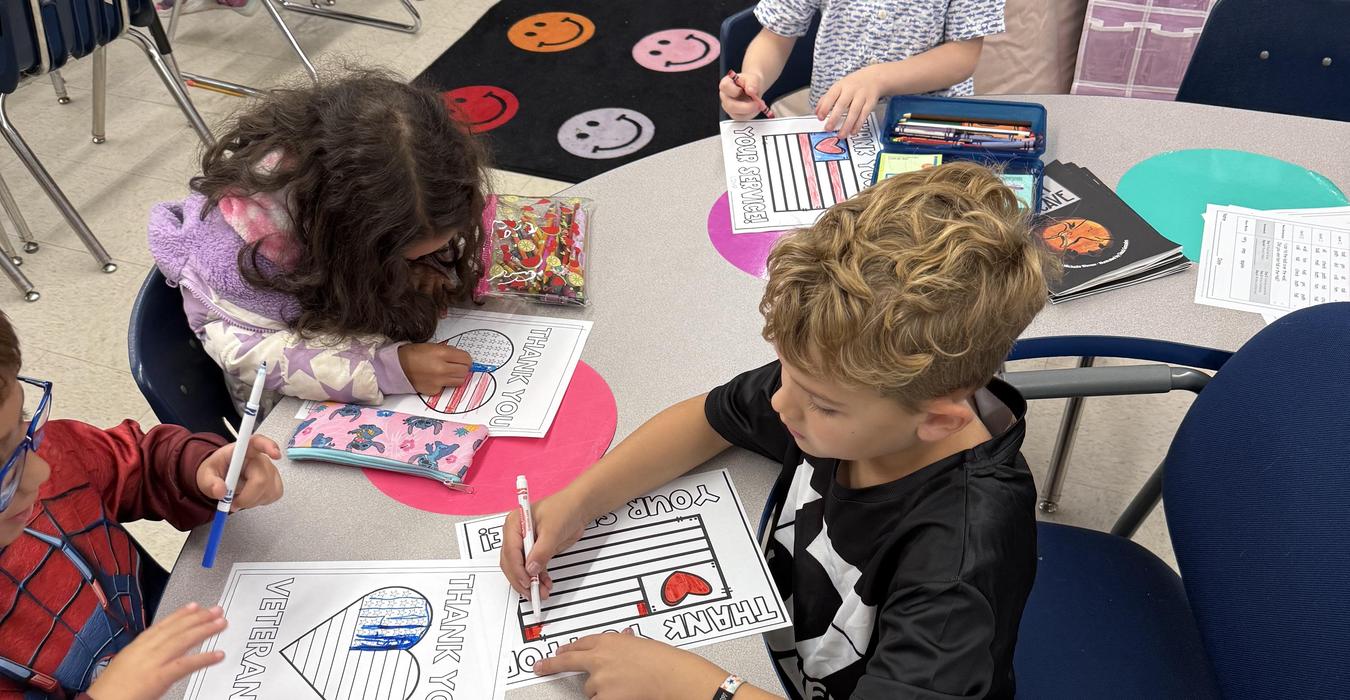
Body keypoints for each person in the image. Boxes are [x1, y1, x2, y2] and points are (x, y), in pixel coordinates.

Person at [502, 163, 1054, 699]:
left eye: (820, 404)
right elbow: (709, 418)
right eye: (786, 372)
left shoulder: (960, 562)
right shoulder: (843, 383)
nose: (782, 405)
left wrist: (700, 690)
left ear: (936, 420)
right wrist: (579, 501)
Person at [149, 71, 490, 413]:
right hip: (288, 403)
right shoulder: (232, 261)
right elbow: (258, 358)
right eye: (397, 255)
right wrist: (387, 369)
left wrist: (424, 265)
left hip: (360, 327)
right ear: (343, 240)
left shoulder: (361, 197)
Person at [0, 310, 285, 698]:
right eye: (4, 469)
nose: (38, 471)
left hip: (190, 638)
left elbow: (141, 463)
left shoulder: (53, 452)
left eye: (22, 421)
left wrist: (200, 470)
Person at [719, 0, 1006, 137]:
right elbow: (775, 37)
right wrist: (754, 77)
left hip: (932, 124)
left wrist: (879, 78)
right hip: (839, 126)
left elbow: (962, 57)